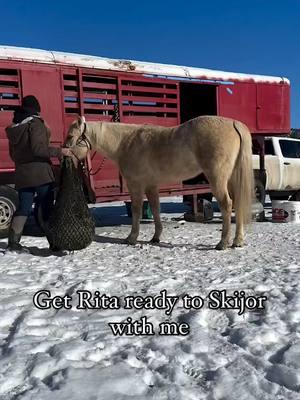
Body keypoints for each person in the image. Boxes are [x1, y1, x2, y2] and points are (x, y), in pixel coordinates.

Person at [5, 95, 72, 252]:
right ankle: (55, 244)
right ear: (36, 109)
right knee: (46, 208)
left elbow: (13, 156)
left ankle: (13, 244)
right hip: (40, 173)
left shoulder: (14, 128)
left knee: (23, 207)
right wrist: (60, 151)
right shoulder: (35, 124)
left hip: (22, 174)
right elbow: (38, 149)